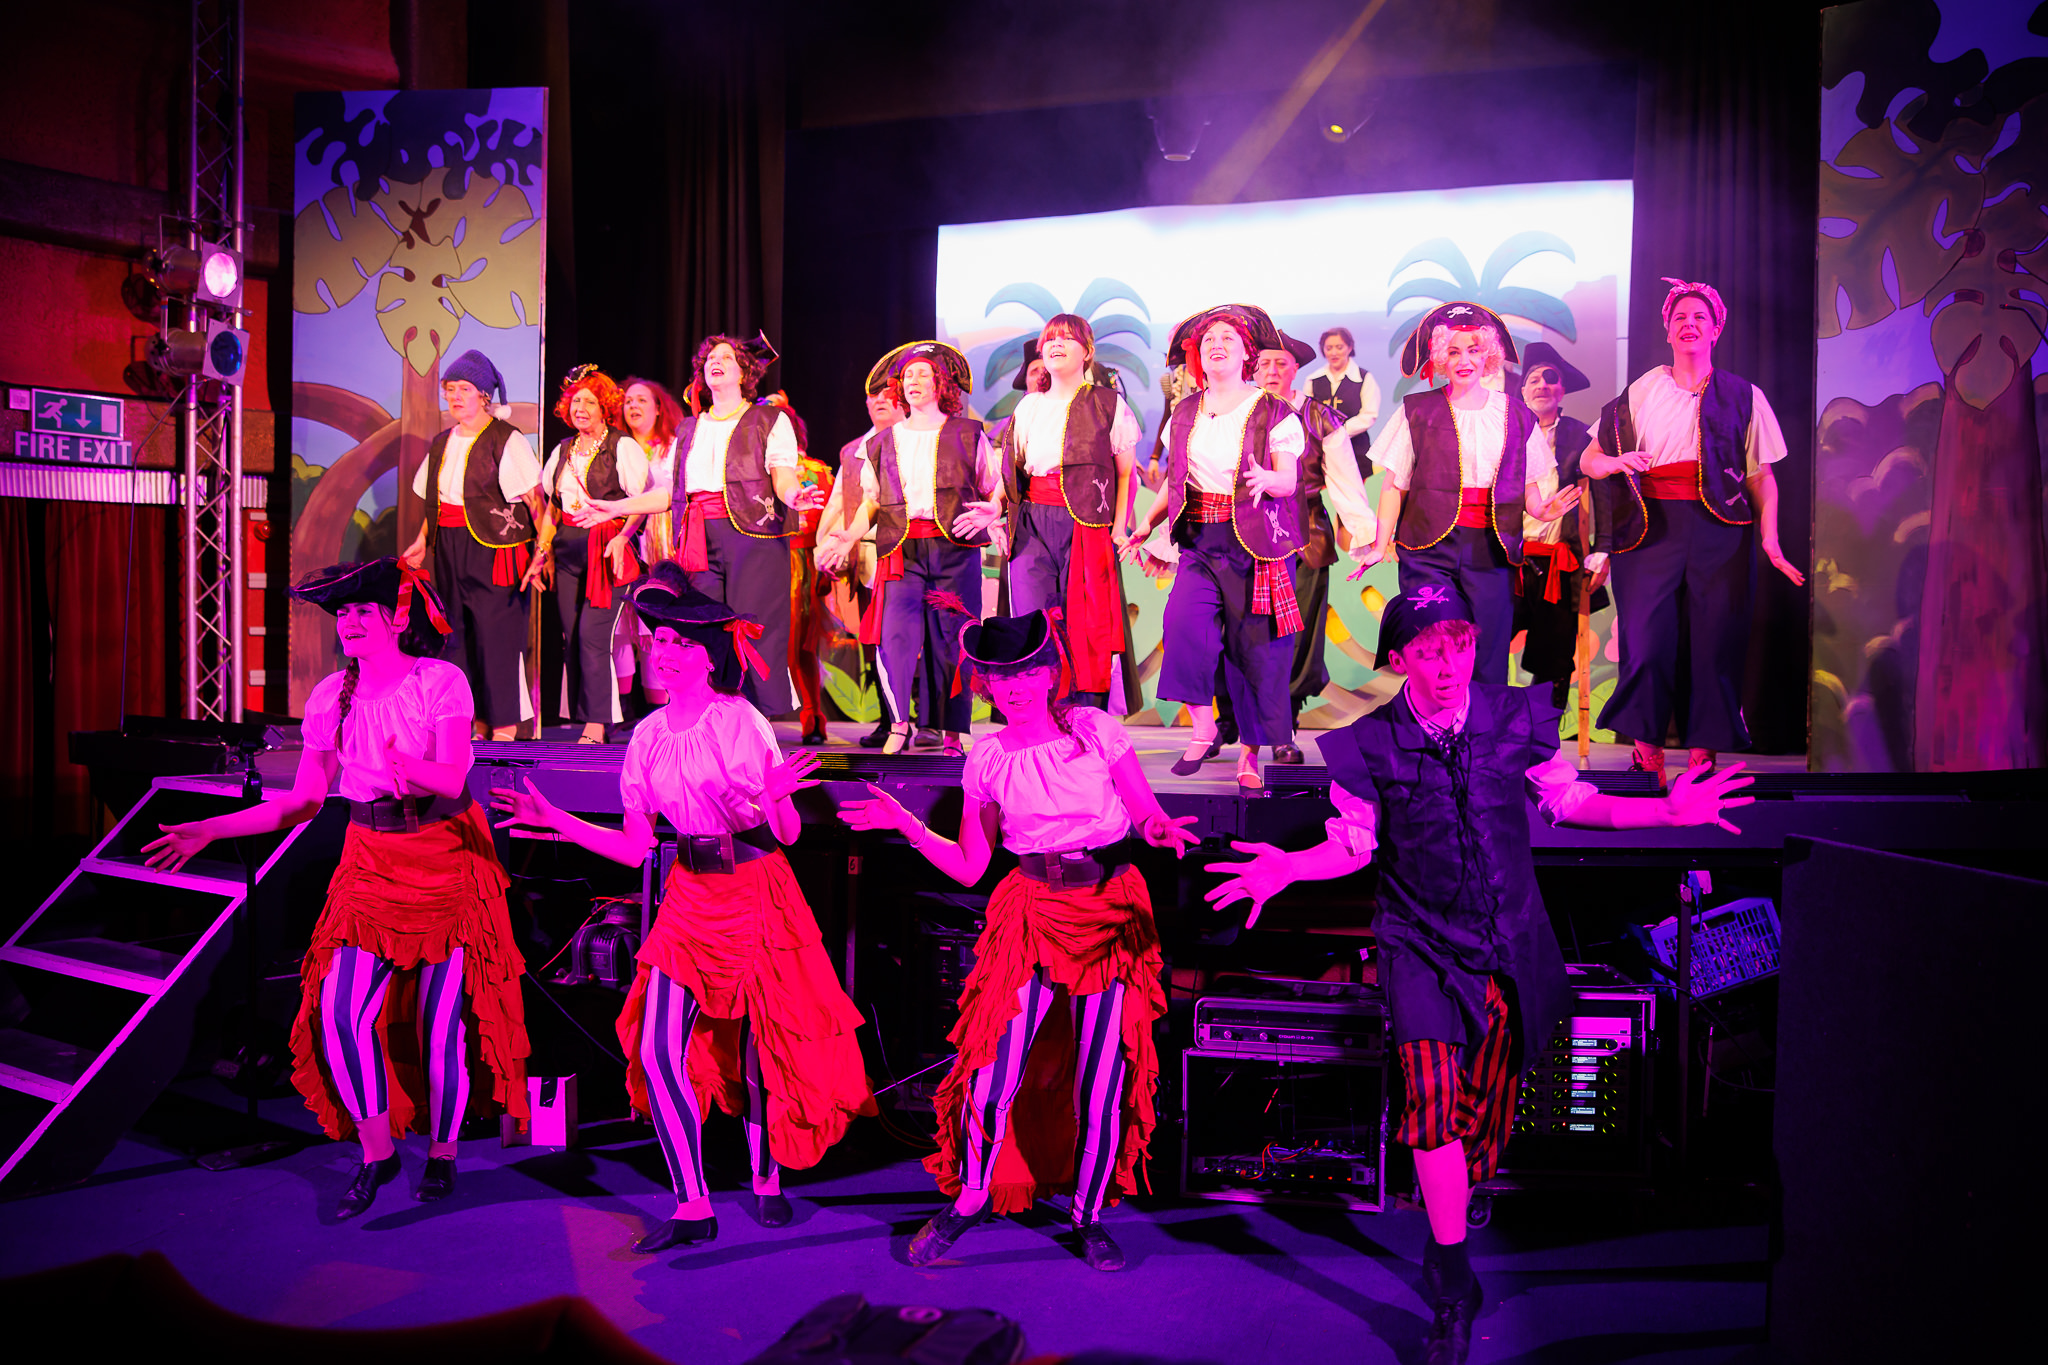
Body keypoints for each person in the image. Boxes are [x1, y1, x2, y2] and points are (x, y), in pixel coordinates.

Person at [1204, 588, 1755, 1365]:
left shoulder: (1512, 717)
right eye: (1429, 652)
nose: (1448, 666)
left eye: (1459, 646)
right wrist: (1289, 867)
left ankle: (1453, 1216)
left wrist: (1666, 812)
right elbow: (1354, 843)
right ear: (1400, 660)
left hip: (1505, 942)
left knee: (1475, 1130)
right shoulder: (1373, 743)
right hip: (1419, 945)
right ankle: (1452, 1282)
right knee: (1432, 1106)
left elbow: (1572, 801)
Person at [492, 564, 874, 1252]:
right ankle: (692, 1201)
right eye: (657, 640)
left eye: (677, 642)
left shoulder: (740, 720)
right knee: (656, 1045)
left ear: (706, 655)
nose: (661, 652)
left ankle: (765, 1178)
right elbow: (635, 847)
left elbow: (786, 833)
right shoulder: (646, 736)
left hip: (755, 888)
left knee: (760, 1043)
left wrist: (774, 797)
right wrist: (558, 821)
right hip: (690, 896)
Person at [143, 558, 530, 1219]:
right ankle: (377, 1153)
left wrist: (409, 765)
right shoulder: (329, 697)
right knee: (339, 1012)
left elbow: (453, 777)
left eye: (361, 610)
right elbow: (301, 802)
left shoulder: (439, 681)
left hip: (443, 857)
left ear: (395, 618)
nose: (348, 622)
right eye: (342, 613)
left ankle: (441, 1153)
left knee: (438, 1026)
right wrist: (210, 827)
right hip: (368, 860)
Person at [838, 606, 1198, 1272]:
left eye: (1026, 673)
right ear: (985, 684)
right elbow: (970, 865)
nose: (1014, 688)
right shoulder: (987, 755)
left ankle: (1088, 1216)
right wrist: (908, 825)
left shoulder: (1095, 729)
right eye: (1000, 677)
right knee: (989, 1073)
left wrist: (1160, 829)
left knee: (1100, 1078)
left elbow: (1145, 812)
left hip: (1107, 907)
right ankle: (972, 1196)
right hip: (1029, 910)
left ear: (1050, 673)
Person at [1583, 278, 1805, 783]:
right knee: (1646, 643)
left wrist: (1770, 539)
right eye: (1680, 317)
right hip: (1649, 528)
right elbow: (1589, 459)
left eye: (1700, 317)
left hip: (1720, 531)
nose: (1689, 324)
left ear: (1716, 329)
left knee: (1715, 642)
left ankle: (1704, 761)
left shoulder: (1744, 395)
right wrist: (1616, 463)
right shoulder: (1643, 390)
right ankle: (1647, 759)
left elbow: (1761, 477)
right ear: (1667, 331)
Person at [587, 333, 825, 720]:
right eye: (711, 357)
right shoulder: (688, 428)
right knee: (701, 629)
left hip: (754, 535)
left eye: (726, 357)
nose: (716, 361)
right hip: (698, 537)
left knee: (753, 627)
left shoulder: (768, 419)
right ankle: (709, 719)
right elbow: (669, 492)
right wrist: (615, 506)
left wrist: (795, 496)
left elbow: (782, 476)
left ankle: (756, 720)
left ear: (744, 372)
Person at [1125, 303, 1304, 791]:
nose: (1217, 345)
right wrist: (1146, 524)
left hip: (1255, 543)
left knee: (1255, 651)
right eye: (1208, 341)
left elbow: (1289, 479)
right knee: (1183, 625)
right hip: (1201, 542)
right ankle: (1203, 728)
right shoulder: (1185, 412)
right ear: (1198, 356)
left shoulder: (1274, 412)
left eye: (1228, 338)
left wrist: (1269, 479)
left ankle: (1249, 754)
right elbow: (1175, 480)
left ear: (1247, 353)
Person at [1367, 302, 1580, 686]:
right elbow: (1394, 485)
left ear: (1488, 356)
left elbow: (1526, 483)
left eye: (1473, 350)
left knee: (1487, 651)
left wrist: (1540, 510)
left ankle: (1483, 723)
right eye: (1453, 351)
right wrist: (1378, 545)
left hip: (1491, 548)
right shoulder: (1417, 410)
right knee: (1434, 641)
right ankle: (1435, 720)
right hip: (1428, 547)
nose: (1464, 360)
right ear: (1440, 358)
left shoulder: (1515, 414)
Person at [817, 341, 998, 756]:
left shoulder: (968, 434)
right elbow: (872, 501)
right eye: (908, 375)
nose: (913, 381)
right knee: (895, 637)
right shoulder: (883, 441)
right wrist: (849, 535)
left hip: (954, 549)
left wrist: (994, 511)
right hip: (902, 550)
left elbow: (992, 488)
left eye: (923, 374)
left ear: (941, 384)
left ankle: (951, 733)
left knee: (953, 638)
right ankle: (899, 724)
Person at [958, 314, 1141, 710]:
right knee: (1034, 619)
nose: (1056, 344)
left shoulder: (1108, 404)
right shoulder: (1029, 406)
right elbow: (1013, 471)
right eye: (1050, 339)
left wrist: (1119, 528)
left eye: (1067, 338)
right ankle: (1042, 714)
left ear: (1087, 352)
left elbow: (1126, 474)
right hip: (1032, 523)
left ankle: (1084, 715)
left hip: (1086, 523)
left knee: (1085, 622)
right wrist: (995, 506)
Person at [399, 349, 545, 740]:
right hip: (449, 545)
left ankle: (504, 727)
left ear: (483, 395)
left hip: (496, 550)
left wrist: (541, 553)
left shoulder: (505, 439)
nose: (455, 396)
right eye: (450, 389)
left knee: (496, 636)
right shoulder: (442, 442)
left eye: (464, 389)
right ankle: (469, 722)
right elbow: (435, 501)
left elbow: (536, 502)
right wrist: (422, 540)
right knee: (456, 634)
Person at [1254, 329, 1378, 757]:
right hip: (1245, 535)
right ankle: (1230, 720)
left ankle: (1283, 728)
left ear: (1296, 370)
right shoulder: (1235, 412)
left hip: (1304, 535)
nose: (1272, 371)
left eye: (1281, 363)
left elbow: (1345, 481)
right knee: (1240, 632)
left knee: (1297, 637)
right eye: (1264, 363)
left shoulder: (1320, 417)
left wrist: (1365, 536)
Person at [539, 365, 647, 743]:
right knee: (572, 635)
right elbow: (552, 508)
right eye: (575, 402)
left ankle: (597, 724)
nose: (580, 408)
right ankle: (587, 715)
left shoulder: (622, 447)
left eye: (589, 402)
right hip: (568, 553)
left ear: (605, 408)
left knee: (592, 635)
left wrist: (623, 538)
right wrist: (542, 551)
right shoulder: (563, 450)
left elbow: (640, 503)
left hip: (606, 551)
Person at [819, 369, 910, 748]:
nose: (879, 402)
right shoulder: (854, 451)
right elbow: (839, 501)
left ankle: (930, 722)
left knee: (913, 639)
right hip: (868, 555)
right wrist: (825, 545)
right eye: (873, 397)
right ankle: (890, 721)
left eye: (887, 395)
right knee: (875, 641)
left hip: (910, 550)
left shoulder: (917, 439)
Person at [1513, 343, 1608, 704]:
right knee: (1483, 644)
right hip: (1507, 562)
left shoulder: (1581, 437)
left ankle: (1541, 730)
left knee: (1554, 661)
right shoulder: (1505, 434)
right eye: (1534, 379)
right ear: (1522, 390)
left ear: (1562, 389)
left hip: (1558, 562)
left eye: (1550, 378)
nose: (1542, 385)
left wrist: (1603, 549)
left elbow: (1604, 495)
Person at [616, 377, 687, 713]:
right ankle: (617, 712)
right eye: (628, 401)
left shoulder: (672, 448)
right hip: (624, 543)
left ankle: (663, 709)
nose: (633, 406)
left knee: (656, 624)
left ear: (659, 408)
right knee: (623, 628)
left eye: (642, 400)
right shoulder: (615, 447)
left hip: (662, 544)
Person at [782, 397, 836, 746]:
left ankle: (812, 717)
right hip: (761, 560)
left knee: (802, 643)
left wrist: (825, 565)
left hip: (801, 562)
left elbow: (830, 521)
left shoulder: (816, 471)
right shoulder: (754, 470)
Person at [1303, 325, 1382, 443]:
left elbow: (1369, 415)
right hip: (1322, 447)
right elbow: (1307, 415)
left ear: (1350, 348)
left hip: (1356, 446)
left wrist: (1339, 431)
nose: (1334, 353)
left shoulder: (1364, 378)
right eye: (1329, 348)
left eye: (1339, 347)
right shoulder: (1313, 379)